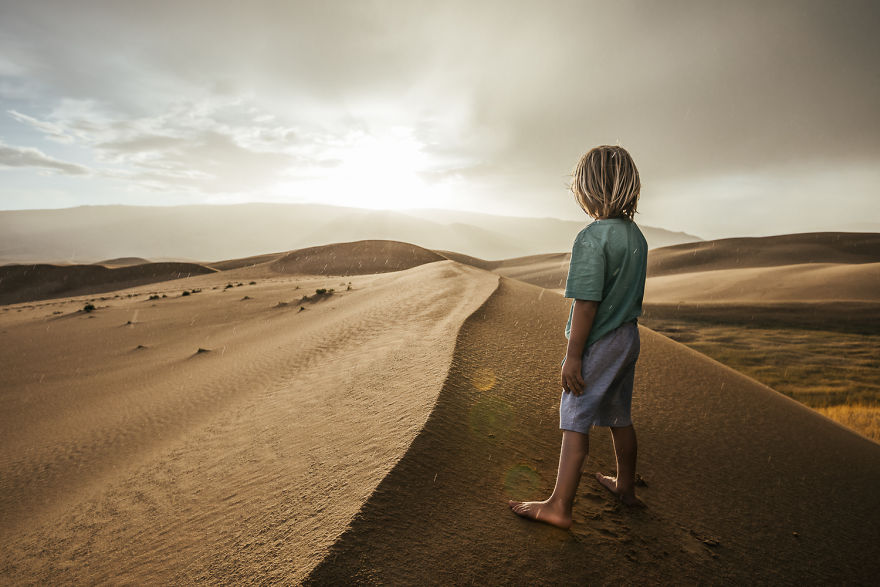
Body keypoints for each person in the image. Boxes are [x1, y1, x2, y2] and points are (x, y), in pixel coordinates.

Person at [508, 145, 648, 530]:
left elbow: (587, 305)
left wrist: (573, 356)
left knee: (575, 417)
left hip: (599, 341)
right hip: (627, 338)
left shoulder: (591, 238)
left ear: (587, 190)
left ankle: (559, 506)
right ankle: (625, 486)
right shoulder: (636, 237)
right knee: (620, 415)